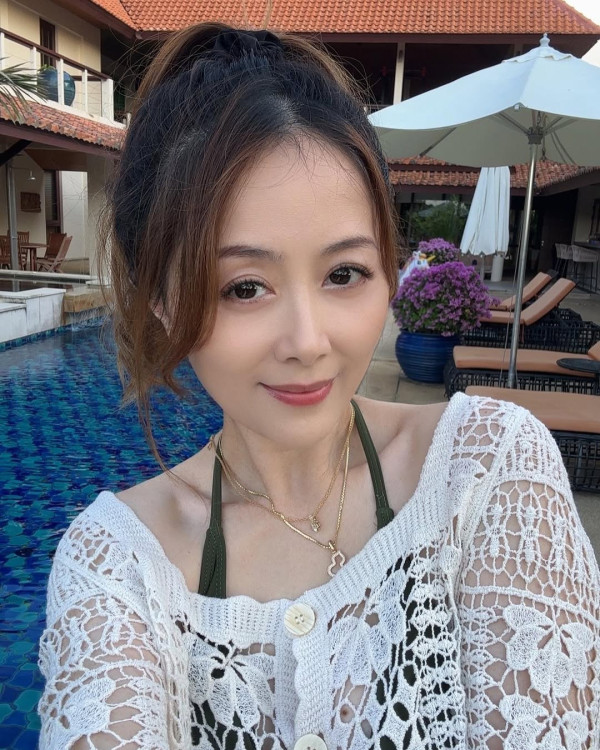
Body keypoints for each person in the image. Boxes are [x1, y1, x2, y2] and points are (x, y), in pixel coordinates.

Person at [38, 23, 600, 750]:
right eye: (244, 287)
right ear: (162, 301)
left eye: (344, 274)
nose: (308, 342)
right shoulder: (119, 569)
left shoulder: (486, 473)